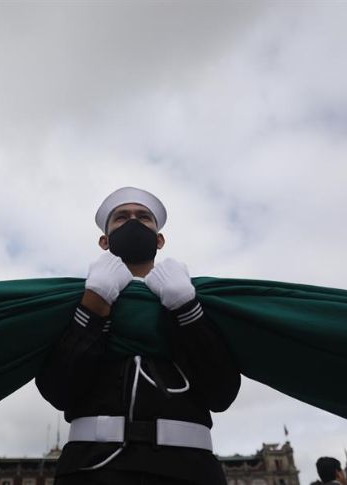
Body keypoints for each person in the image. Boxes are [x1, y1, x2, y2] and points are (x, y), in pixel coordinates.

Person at [36, 187, 242, 485]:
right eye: (121, 217)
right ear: (104, 241)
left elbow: (221, 393)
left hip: (188, 470)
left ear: (159, 239)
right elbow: (58, 390)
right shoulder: (74, 301)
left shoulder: (196, 298)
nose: (133, 222)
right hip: (92, 469)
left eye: (144, 217)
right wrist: (94, 305)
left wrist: (185, 306)